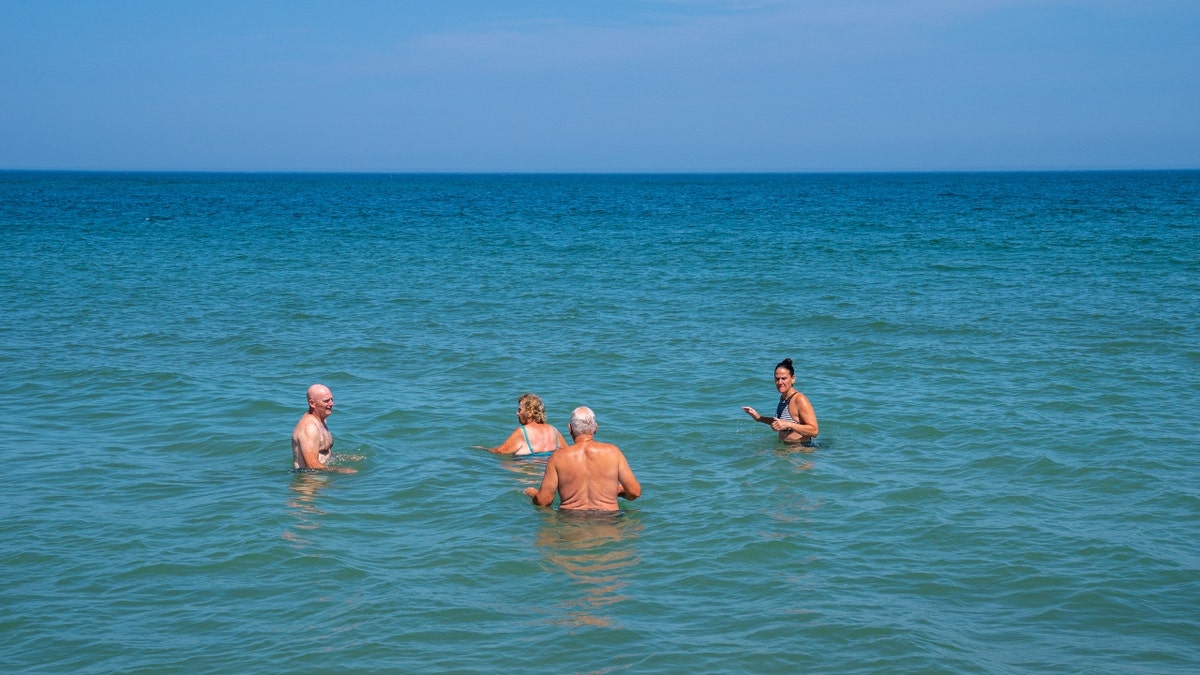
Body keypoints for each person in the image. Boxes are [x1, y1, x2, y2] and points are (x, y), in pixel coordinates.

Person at [523, 406, 641, 511]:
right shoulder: (613, 452)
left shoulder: (558, 457)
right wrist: (616, 490)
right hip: (607, 523)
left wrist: (533, 493)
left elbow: (544, 501)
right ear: (595, 427)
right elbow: (634, 492)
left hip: (572, 522)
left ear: (570, 429)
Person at [741, 357, 819, 445]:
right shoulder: (783, 398)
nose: (780, 382)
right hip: (787, 449)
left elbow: (814, 431)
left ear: (793, 378)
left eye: (783, 378)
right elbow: (780, 423)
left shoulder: (799, 399)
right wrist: (759, 418)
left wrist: (789, 425)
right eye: (777, 379)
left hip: (801, 452)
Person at [481, 392, 568, 456]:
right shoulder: (554, 430)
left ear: (530, 413)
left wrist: (482, 449)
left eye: (519, 410)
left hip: (529, 475)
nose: (517, 413)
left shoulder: (522, 432)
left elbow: (499, 452)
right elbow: (568, 451)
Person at [291, 383, 337, 470]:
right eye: (326, 401)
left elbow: (324, 452)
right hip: (310, 480)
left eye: (332, 399)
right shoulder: (309, 428)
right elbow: (312, 465)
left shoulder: (322, 421)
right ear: (312, 403)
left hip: (322, 474)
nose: (331, 404)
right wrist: (340, 470)